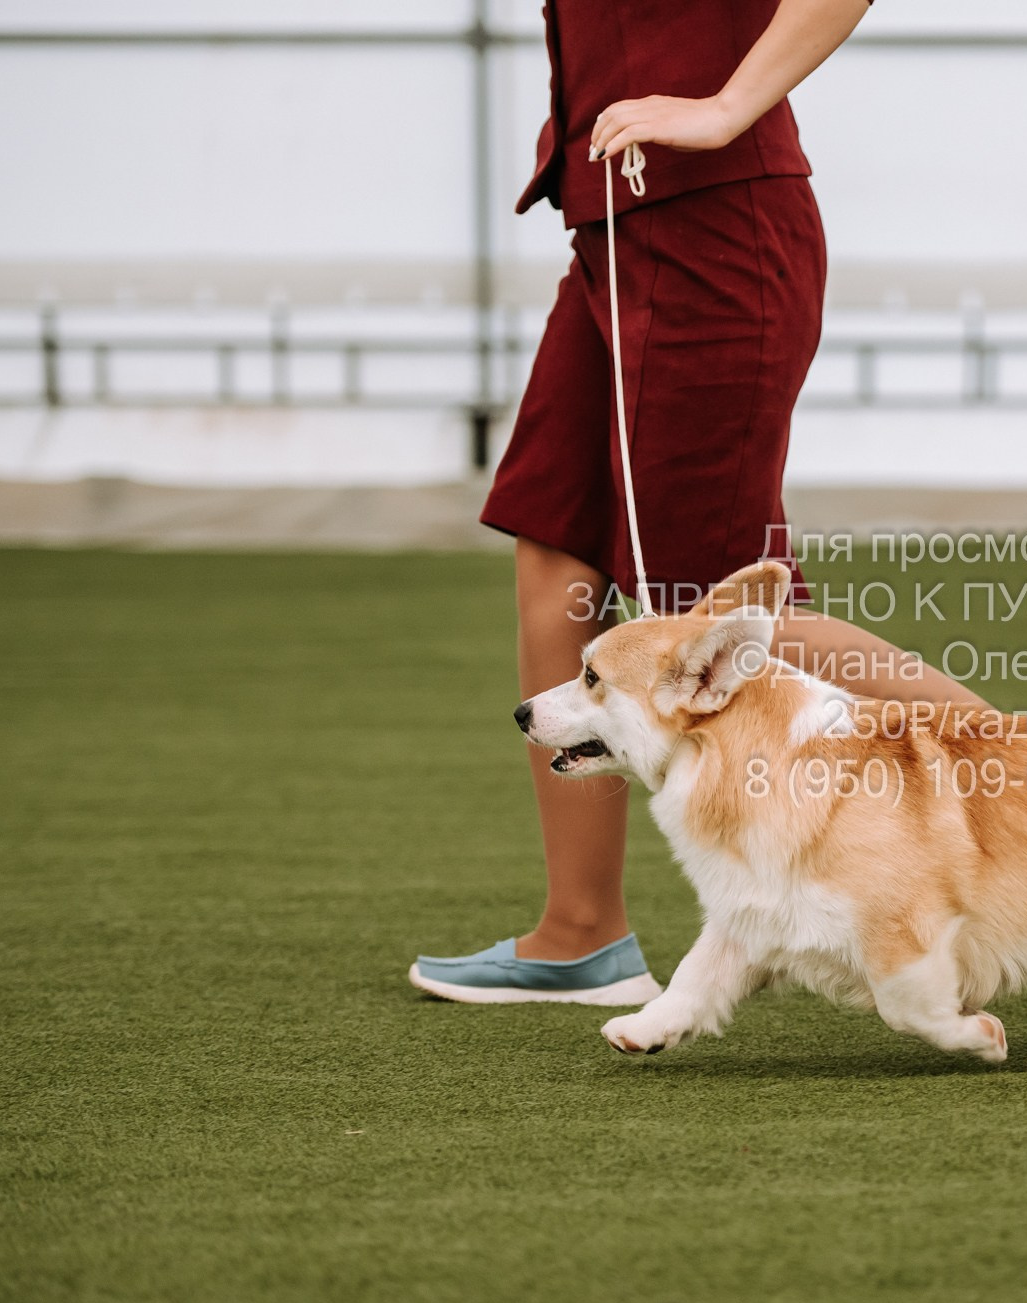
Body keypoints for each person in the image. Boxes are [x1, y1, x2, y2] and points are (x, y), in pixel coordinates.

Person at [410, 0, 985, 1005]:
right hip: (613, 234)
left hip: (708, 233)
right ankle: (581, 933)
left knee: (716, 610)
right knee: (556, 544)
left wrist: (724, 108)